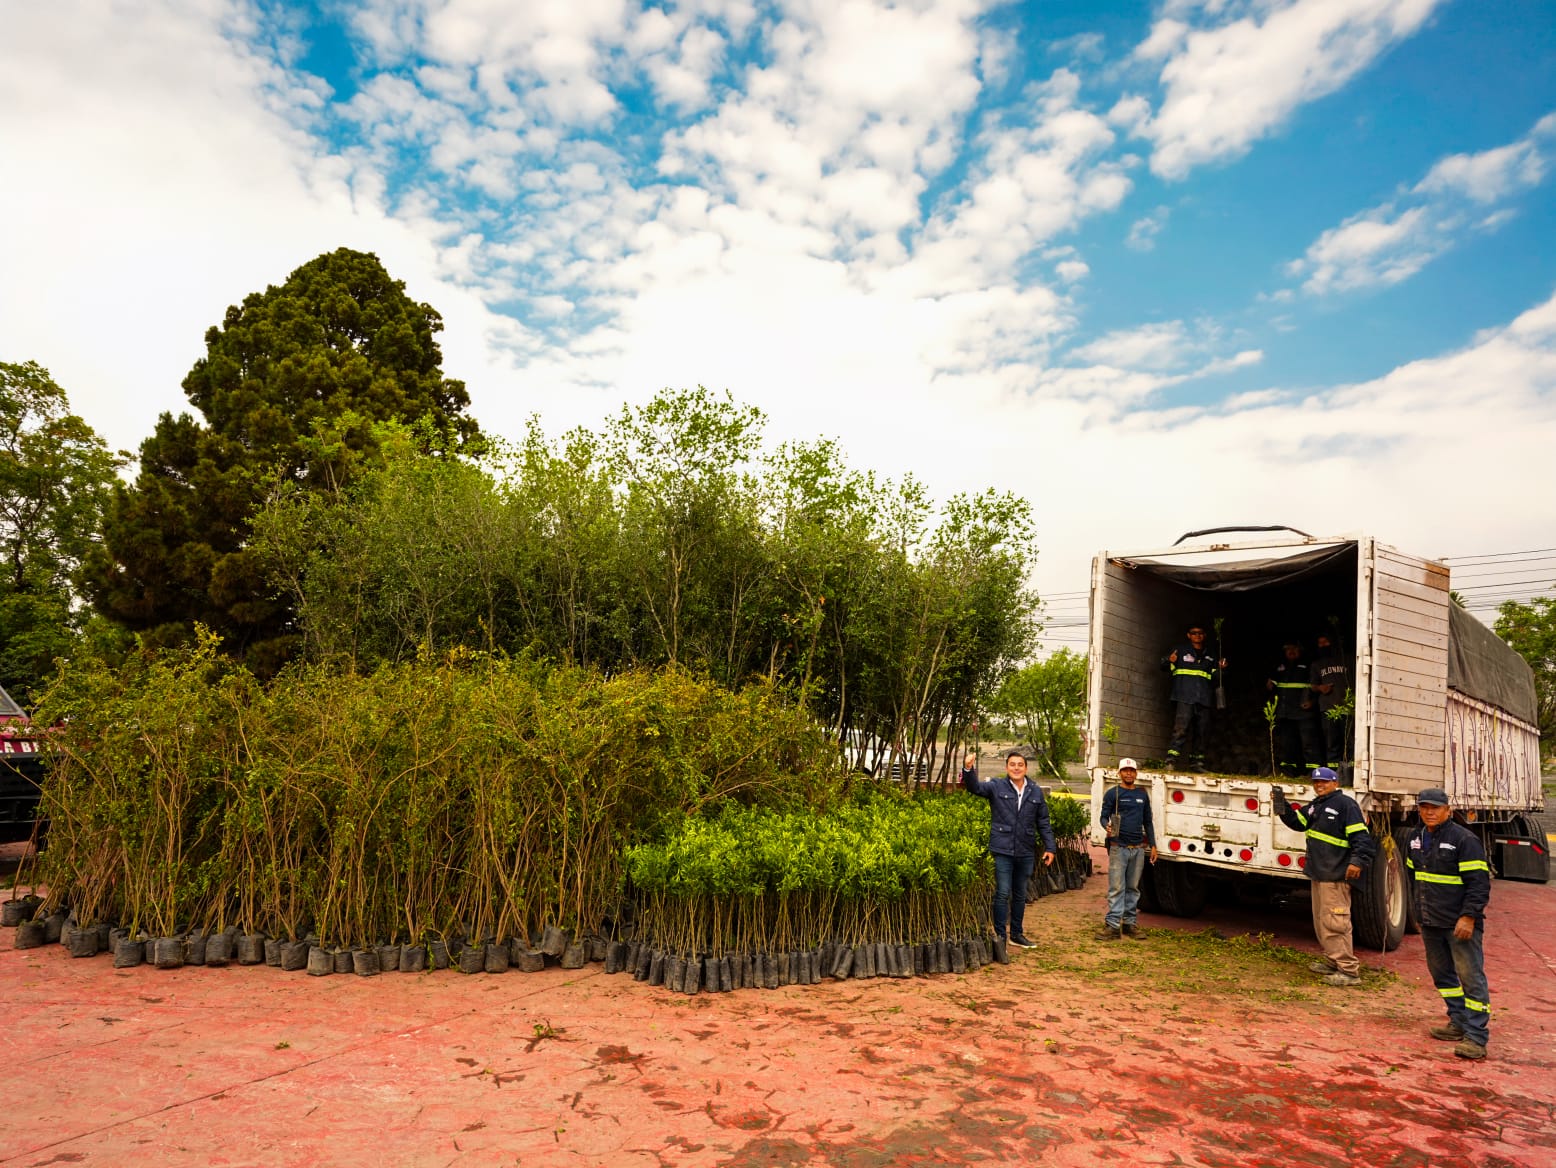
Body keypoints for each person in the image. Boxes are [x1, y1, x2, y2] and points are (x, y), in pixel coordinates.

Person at [1405, 787, 1492, 1060]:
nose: (1429, 812)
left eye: (1435, 807)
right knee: (1442, 974)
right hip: (1431, 922)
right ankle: (1457, 1021)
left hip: (1459, 924)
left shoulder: (1464, 840)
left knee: (1471, 978)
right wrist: (1418, 915)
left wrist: (1468, 917)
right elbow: (1415, 878)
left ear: (1447, 810)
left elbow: (1479, 884)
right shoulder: (1415, 838)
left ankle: (1476, 1038)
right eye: (1424, 807)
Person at [1273, 767, 1375, 986]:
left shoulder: (1346, 805)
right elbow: (1297, 822)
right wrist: (1282, 806)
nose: (1319, 785)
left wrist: (1357, 862)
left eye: (1324, 782)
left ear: (1335, 783)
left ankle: (1348, 971)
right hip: (1320, 872)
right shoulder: (1316, 805)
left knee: (1336, 922)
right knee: (1323, 921)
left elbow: (1362, 838)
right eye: (1316, 782)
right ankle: (1332, 961)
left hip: (1336, 874)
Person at [961, 749, 1056, 950]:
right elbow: (975, 788)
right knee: (1003, 892)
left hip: (1025, 850)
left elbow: (1043, 822)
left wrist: (1050, 847)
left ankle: (1017, 934)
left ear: (1026, 768)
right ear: (1006, 767)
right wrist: (968, 769)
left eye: (1020, 765)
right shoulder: (997, 786)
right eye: (1012, 764)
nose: (1016, 768)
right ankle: (1000, 936)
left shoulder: (1035, 791)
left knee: (1020, 894)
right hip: (1002, 849)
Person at [1097, 758, 1156, 941]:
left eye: (1132, 770)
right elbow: (1103, 817)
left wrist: (1153, 845)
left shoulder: (1142, 794)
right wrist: (1107, 826)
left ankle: (1130, 924)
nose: (1128, 773)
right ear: (1119, 773)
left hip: (1137, 849)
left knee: (1133, 888)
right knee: (1116, 887)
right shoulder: (1112, 793)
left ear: (1136, 773)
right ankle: (1114, 926)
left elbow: (1148, 821)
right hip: (1118, 848)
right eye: (1125, 770)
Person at [1161, 623, 1225, 771]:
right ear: (1188, 635)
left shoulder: (1211, 654)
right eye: (1194, 633)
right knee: (1181, 729)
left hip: (1204, 698)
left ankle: (1197, 764)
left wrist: (1221, 669)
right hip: (1184, 696)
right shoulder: (1180, 650)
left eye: (1200, 633)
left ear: (1204, 635)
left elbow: (1216, 678)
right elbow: (1163, 667)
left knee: (1202, 731)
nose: (1197, 635)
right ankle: (1171, 761)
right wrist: (1168, 660)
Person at [1267, 641, 1320, 777]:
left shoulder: (1309, 665)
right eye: (1288, 649)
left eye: (1294, 649)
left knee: (1309, 744)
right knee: (1288, 744)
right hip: (1285, 713)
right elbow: (1272, 686)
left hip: (1304, 713)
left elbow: (1316, 687)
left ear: (1300, 650)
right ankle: (1289, 772)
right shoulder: (1280, 667)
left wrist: (1312, 702)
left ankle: (1312, 773)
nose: (1291, 651)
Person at [1308, 632, 1353, 775]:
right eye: (1320, 643)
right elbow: (1313, 685)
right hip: (1327, 709)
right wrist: (1321, 688)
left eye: (1325, 642)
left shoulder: (1348, 660)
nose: (1323, 646)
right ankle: (1333, 773)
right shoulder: (1317, 664)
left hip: (1347, 708)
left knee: (1349, 742)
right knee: (1331, 743)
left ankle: (1349, 773)